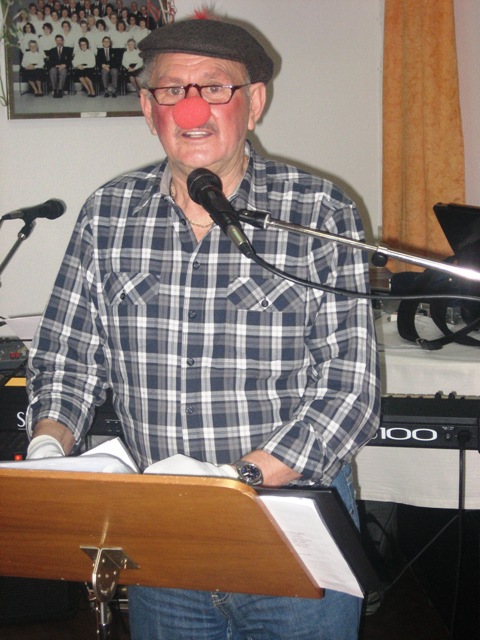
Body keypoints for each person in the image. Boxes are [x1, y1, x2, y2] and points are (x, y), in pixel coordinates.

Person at [26, 16, 379, 640]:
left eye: (214, 87)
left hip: (288, 524)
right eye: (171, 90)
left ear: (255, 102)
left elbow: (349, 391)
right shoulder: (107, 214)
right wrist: (49, 448)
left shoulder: (318, 211)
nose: (191, 109)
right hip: (163, 535)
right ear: (148, 108)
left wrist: (234, 484)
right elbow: (68, 360)